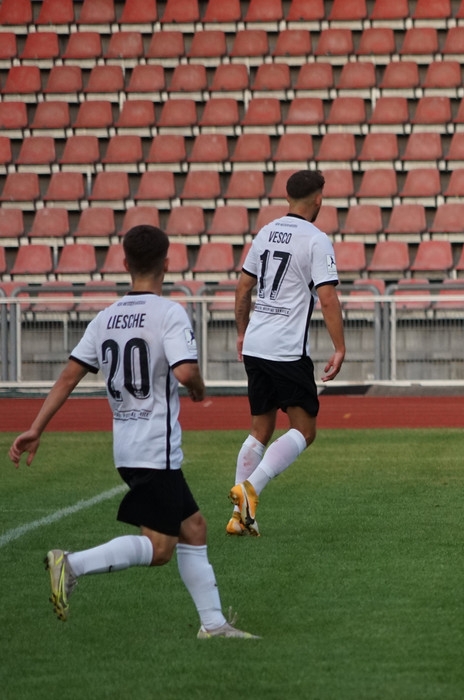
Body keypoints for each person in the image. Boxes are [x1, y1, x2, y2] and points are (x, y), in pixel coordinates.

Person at [7, 225, 258, 638]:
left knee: (193, 527)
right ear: (167, 263)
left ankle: (213, 625)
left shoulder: (105, 318)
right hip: (154, 448)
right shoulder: (169, 313)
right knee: (160, 548)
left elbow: (68, 377)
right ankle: (71, 563)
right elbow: (185, 372)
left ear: (125, 263)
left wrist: (36, 428)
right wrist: (198, 388)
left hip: (126, 445)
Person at [228, 170, 346, 536]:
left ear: (287, 197)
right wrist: (340, 347)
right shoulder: (316, 239)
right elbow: (327, 298)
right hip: (286, 349)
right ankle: (250, 489)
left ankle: (239, 517)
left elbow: (243, 288)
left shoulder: (265, 232)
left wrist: (242, 333)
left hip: (257, 344)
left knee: (260, 429)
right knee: (305, 430)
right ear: (319, 199)